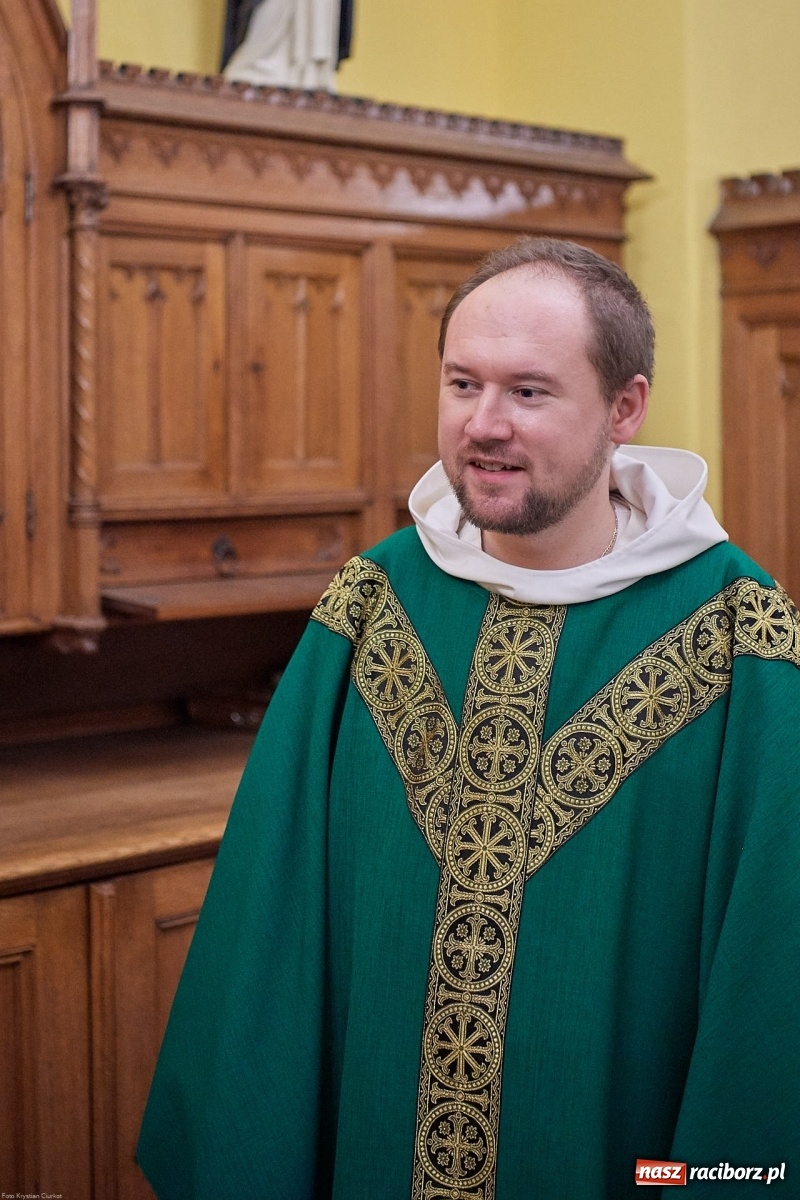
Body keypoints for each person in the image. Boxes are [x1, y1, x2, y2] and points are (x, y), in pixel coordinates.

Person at [137, 238, 800, 1199]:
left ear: (625, 408)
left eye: (528, 392)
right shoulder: (370, 607)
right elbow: (268, 929)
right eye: (462, 384)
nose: (483, 425)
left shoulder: (742, 635)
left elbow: (768, 985)